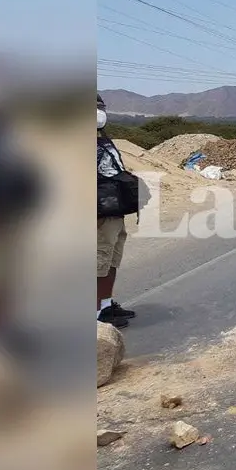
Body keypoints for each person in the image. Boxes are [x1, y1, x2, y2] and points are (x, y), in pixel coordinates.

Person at [97, 96, 137, 328]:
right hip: (98, 213)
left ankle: (105, 305)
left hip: (113, 210)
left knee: (110, 260)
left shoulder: (102, 140)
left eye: (101, 108)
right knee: (97, 262)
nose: (100, 113)